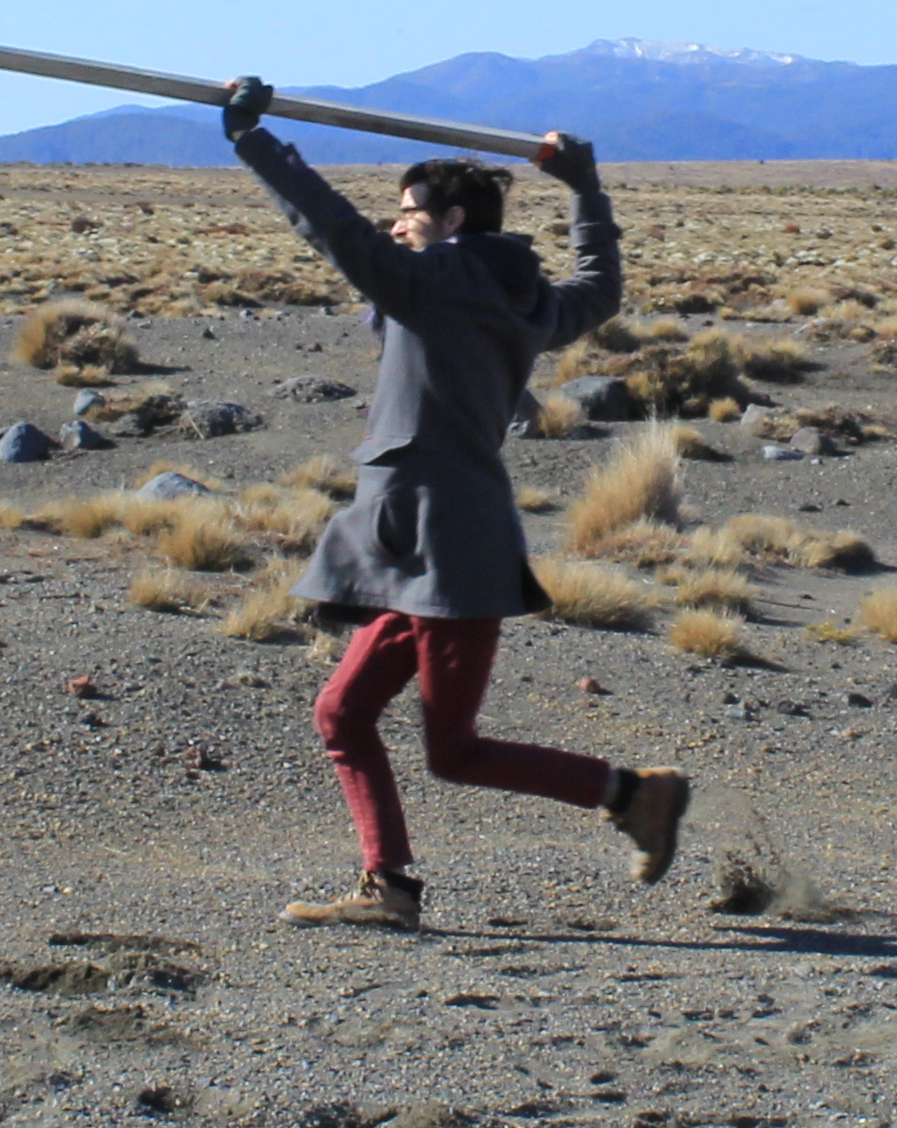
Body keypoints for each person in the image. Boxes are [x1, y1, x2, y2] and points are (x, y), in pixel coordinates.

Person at [218, 78, 689, 930]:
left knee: (455, 750)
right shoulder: (531, 303)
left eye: (410, 210)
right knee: (342, 711)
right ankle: (389, 886)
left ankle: (632, 793)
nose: (397, 223)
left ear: (454, 223)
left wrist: (254, 140)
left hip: (454, 550)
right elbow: (602, 284)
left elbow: (331, 227)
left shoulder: (426, 284)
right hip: (422, 545)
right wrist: (586, 190)